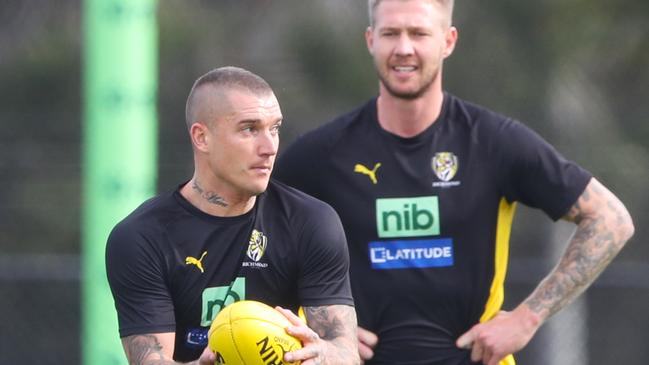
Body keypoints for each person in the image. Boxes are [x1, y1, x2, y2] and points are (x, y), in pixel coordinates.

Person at [273, 1, 635, 364]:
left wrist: (528, 318)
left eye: (418, 33)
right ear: (370, 40)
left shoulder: (494, 142)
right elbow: (251, 234)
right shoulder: (323, 153)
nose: (403, 48)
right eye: (390, 33)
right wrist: (321, 323)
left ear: (448, 41)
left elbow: (611, 219)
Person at [106, 66, 360, 365]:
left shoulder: (311, 221)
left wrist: (322, 354)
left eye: (274, 128)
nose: (269, 147)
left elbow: (346, 352)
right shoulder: (141, 237)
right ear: (202, 138)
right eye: (249, 129)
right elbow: (151, 359)